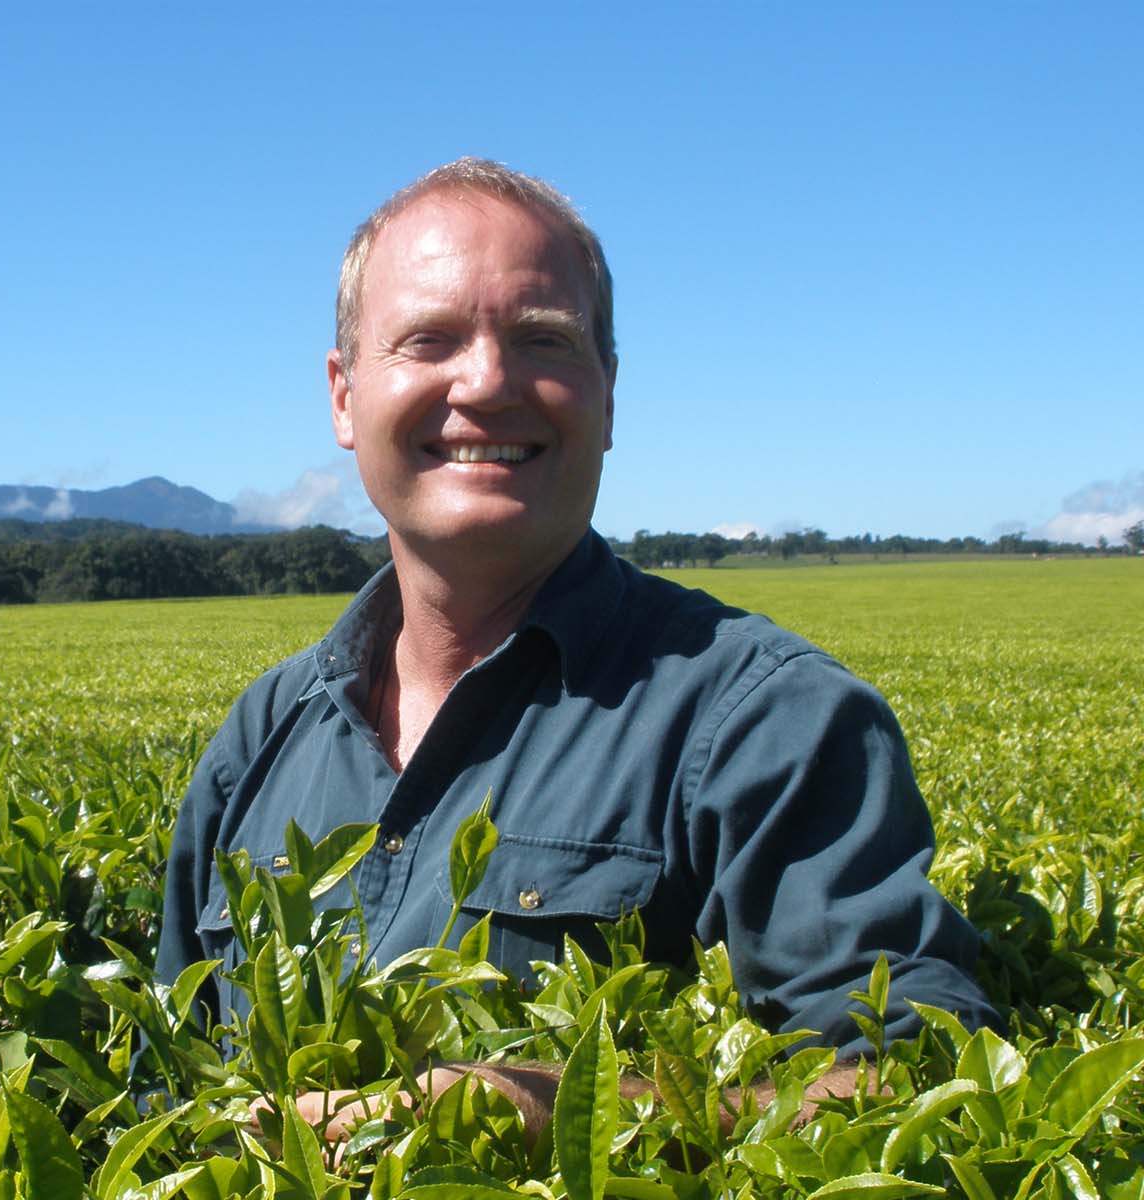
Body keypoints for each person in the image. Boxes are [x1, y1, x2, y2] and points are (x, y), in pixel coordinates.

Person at [153, 157, 998, 1133]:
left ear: (607, 393)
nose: (486, 381)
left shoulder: (764, 721)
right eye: (427, 339)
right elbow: (164, 1085)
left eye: (541, 339)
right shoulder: (264, 734)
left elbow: (915, 1082)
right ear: (344, 397)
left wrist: (572, 1116)